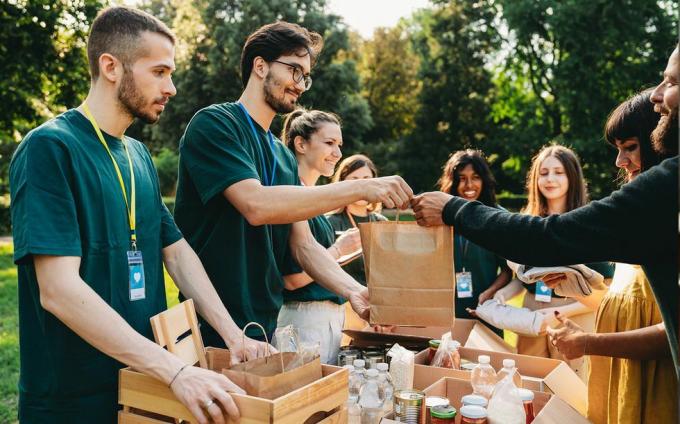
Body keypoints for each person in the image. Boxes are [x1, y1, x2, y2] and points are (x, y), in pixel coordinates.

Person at [9, 7, 268, 423]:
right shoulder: (50, 148)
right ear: (111, 66)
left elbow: (178, 253)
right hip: (70, 402)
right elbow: (57, 290)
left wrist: (232, 333)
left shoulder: (138, 155)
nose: (173, 87)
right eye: (160, 71)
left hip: (141, 387)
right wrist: (176, 370)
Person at [411, 44, 679, 376]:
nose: (658, 94)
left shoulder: (660, 192)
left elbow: (545, 238)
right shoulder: (653, 200)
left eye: (671, 82)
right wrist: (585, 287)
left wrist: (453, 209)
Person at [173, 21, 412, 346]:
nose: (301, 85)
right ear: (260, 66)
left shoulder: (282, 156)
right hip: (210, 326)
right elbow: (255, 205)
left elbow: (303, 246)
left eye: (306, 76)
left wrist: (355, 291)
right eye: (294, 70)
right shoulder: (216, 124)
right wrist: (359, 188)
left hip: (264, 327)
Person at [548, 89, 676, 424]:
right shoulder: (640, 216)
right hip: (618, 390)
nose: (620, 162)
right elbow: (636, 304)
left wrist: (588, 342)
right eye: (618, 150)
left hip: (656, 394)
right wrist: (578, 285)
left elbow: (671, 333)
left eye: (630, 148)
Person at [495, 145, 613, 378]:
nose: (550, 179)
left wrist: (560, 313)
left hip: (573, 317)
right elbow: (526, 278)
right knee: (529, 386)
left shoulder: (588, 222)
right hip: (531, 319)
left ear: (572, 176)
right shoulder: (527, 222)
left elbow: (605, 292)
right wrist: (503, 294)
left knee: (573, 393)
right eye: (544, 172)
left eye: (558, 172)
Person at [275, 109, 356, 364]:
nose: (338, 153)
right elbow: (291, 279)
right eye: (329, 143)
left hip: (325, 320)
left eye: (339, 145)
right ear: (301, 143)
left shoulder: (310, 197)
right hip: (303, 320)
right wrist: (339, 250)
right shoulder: (290, 195)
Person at [434, 150, 511, 337]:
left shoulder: (497, 217)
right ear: (452, 182)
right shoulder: (441, 217)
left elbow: (509, 270)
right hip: (446, 310)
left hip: (484, 308)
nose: (469, 185)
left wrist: (490, 293)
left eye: (475, 177)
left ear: (484, 180)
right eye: (461, 178)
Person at [326, 154, 388, 339]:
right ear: (342, 183)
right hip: (343, 311)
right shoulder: (330, 223)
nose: (361, 186)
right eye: (354, 180)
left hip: (378, 311)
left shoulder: (383, 223)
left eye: (366, 180)